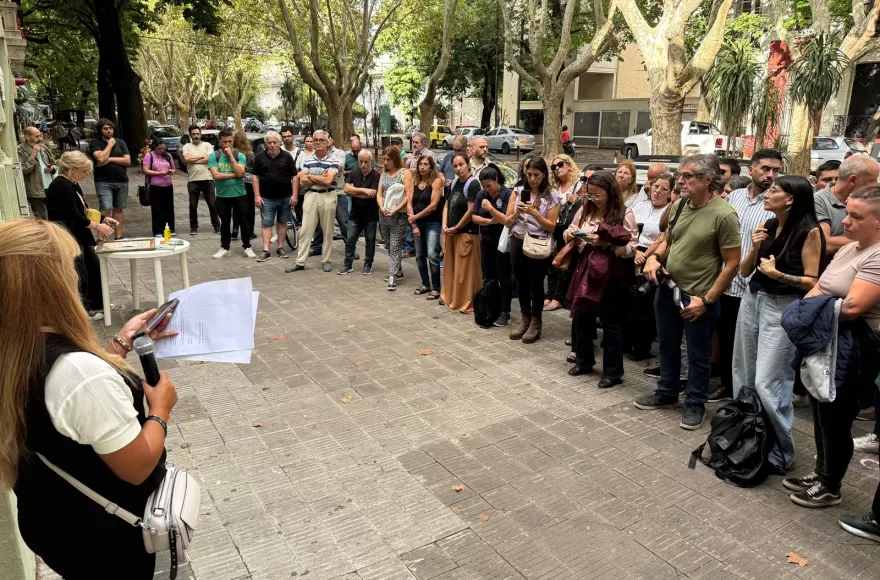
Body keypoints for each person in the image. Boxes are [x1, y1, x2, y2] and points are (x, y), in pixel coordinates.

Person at [0, 218, 179, 579]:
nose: (75, 277)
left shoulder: (13, 349)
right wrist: (160, 410)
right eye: (69, 267)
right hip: (105, 540)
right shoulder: (77, 374)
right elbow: (136, 467)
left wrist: (120, 344)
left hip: (51, 520)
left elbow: (64, 397)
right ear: (52, 284)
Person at [781, 186, 880, 526]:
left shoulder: (877, 255)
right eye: (846, 213)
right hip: (826, 342)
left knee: (837, 417)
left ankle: (830, 485)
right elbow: (819, 288)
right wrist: (816, 306)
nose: (846, 221)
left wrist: (812, 308)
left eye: (855, 216)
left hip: (854, 350)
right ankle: (821, 473)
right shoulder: (850, 249)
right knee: (820, 408)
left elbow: (853, 307)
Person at [636, 154, 741, 430]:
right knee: (668, 345)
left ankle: (695, 402)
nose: (680, 181)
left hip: (698, 298)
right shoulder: (681, 204)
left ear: (708, 180)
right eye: (680, 175)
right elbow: (668, 240)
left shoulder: (724, 214)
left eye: (688, 176)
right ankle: (667, 392)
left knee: (698, 354)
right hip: (668, 290)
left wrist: (707, 300)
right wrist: (654, 258)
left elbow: (732, 264)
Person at [734, 175, 825, 474]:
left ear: (790, 200)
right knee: (744, 375)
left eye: (775, 191)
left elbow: (813, 281)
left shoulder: (809, 231)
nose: (767, 193)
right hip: (753, 300)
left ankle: (781, 452)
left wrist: (779, 276)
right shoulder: (770, 225)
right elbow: (746, 271)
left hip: (782, 308)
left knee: (768, 381)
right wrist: (753, 246)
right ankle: (748, 439)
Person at [712, 149, 782, 402]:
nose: (770, 175)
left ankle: (750, 393)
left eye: (776, 170)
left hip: (755, 285)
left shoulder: (776, 201)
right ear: (751, 169)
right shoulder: (735, 197)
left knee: (752, 344)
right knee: (727, 336)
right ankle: (728, 387)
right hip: (725, 280)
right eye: (765, 168)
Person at [565, 171, 639, 387]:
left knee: (610, 322)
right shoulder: (585, 208)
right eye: (590, 195)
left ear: (610, 192)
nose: (593, 199)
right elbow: (570, 229)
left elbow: (632, 246)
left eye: (598, 195)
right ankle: (584, 360)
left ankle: (613, 372)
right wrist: (572, 235)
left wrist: (607, 245)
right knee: (582, 317)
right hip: (585, 268)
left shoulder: (625, 213)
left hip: (611, 273)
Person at [45, 151, 118, 319]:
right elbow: (73, 215)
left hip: (79, 232)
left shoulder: (72, 183)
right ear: (72, 169)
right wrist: (98, 226)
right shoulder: (60, 185)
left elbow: (84, 209)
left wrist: (103, 218)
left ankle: (98, 303)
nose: (87, 174)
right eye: (84, 170)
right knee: (79, 271)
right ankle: (83, 310)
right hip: (68, 233)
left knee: (93, 265)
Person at [506, 157, 563, 343]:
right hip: (517, 239)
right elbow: (507, 220)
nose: (532, 179)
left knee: (536, 283)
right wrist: (518, 212)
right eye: (529, 174)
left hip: (538, 243)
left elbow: (551, 226)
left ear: (544, 174)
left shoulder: (552, 195)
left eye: (536, 175)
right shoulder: (518, 190)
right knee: (520, 282)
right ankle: (525, 319)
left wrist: (534, 213)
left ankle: (536, 322)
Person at [630, 173, 674, 359]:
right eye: (656, 187)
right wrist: (634, 252)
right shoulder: (640, 205)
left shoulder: (670, 211)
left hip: (652, 257)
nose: (658, 192)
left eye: (664, 189)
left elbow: (662, 239)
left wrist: (645, 256)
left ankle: (641, 347)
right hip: (632, 251)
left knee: (645, 304)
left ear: (670, 193)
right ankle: (626, 341)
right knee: (629, 301)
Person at [287, 130, 340, 273]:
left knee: (328, 230)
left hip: (328, 196)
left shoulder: (334, 159)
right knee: (305, 230)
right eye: (315, 140)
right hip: (311, 196)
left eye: (321, 140)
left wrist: (310, 176)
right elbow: (302, 182)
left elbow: (329, 181)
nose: (317, 142)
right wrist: (317, 177)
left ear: (327, 142)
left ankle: (326, 260)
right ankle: (300, 261)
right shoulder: (308, 159)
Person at [472, 164, 514, 326]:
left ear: (496, 180)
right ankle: (490, 307)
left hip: (502, 243)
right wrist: (490, 220)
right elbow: (475, 217)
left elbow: (505, 218)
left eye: (489, 185)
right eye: (484, 186)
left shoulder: (507, 194)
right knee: (488, 277)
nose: (487, 189)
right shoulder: (482, 194)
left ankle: (505, 311)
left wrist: (490, 209)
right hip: (487, 241)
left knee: (504, 277)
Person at [440, 154, 483, 310]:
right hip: (452, 233)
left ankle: (466, 302)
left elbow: (471, 210)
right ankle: (451, 297)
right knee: (452, 269)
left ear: (468, 165)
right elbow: (446, 205)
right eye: (455, 166)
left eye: (461, 165)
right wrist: (445, 225)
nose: (458, 169)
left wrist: (457, 226)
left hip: (466, 233)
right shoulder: (454, 183)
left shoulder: (473, 184)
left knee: (465, 272)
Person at [815, 155, 880, 256]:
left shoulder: (871, 197)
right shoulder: (818, 201)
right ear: (852, 180)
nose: (876, 184)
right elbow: (826, 243)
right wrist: (872, 239)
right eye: (872, 180)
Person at [545, 154, 583, 312]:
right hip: (556, 228)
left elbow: (587, 205)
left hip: (570, 228)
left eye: (560, 164)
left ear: (569, 165)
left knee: (564, 262)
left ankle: (558, 297)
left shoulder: (579, 184)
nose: (557, 169)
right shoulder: (555, 188)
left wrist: (577, 199)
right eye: (554, 167)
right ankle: (550, 294)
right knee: (553, 262)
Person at [208, 129, 254, 259]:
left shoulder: (239, 155)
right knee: (225, 222)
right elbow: (216, 175)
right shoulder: (214, 156)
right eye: (224, 142)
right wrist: (235, 175)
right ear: (220, 142)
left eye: (229, 141)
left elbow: (241, 173)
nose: (227, 144)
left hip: (239, 194)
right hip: (222, 196)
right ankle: (225, 247)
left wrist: (231, 157)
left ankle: (247, 246)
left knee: (244, 221)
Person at [253, 130, 296, 262]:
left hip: (285, 197)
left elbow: (294, 177)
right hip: (266, 197)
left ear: (279, 143)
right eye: (269, 142)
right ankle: (266, 249)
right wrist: (257, 196)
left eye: (275, 142)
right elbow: (255, 177)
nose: (272, 145)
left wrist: (294, 195)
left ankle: (280, 247)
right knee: (266, 223)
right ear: (266, 144)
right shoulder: (260, 157)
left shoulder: (287, 157)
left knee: (282, 223)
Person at [407, 155, 445, 297]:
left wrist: (415, 217)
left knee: (432, 254)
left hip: (432, 222)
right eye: (420, 164)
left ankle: (436, 287)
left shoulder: (436, 181)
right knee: (419, 255)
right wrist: (414, 223)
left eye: (425, 164)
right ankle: (425, 284)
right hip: (417, 223)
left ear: (431, 167)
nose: (422, 167)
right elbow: (409, 203)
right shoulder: (414, 180)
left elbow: (433, 205)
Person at [376, 146, 413, 290]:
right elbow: (379, 193)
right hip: (384, 214)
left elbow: (409, 194)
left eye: (388, 159)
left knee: (396, 244)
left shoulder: (405, 173)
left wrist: (395, 209)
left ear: (395, 159)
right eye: (384, 159)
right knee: (389, 244)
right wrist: (381, 207)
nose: (385, 162)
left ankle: (392, 276)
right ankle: (398, 269)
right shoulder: (383, 174)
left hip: (399, 215)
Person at [339, 149, 381, 275]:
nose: (363, 165)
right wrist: (363, 190)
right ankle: (348, 263)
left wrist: (355, 191)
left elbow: (372, 195)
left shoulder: (376, 175)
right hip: (355, 215)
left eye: (366, 162)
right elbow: (346, 189)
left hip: (371, 215)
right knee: (350, 239)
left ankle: (368, 263)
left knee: (370, 241)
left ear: (371, 162)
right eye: (361, 162)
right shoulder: (354, 172)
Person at [88, 119, 130, 239]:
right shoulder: (95, 143)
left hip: (121, 180)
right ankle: (101, 238)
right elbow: (100, 159)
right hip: (103, 181)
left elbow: (127, 160)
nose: (109, 131)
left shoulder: (121, 142)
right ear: (100, 130)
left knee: (119, 209)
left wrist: (110, 159)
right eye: (105, 128)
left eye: (110, 128)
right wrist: (110, 145)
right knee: (105, 209)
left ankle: (119, 236)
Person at [182, 125, 220, 236]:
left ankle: (217, 226)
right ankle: (193, 227)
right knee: (193, 205)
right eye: (194, 134)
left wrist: (193, 159)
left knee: (212, 204)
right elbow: (187, 159)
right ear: (190, 135)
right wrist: (201, 157)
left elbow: (210, 159)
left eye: (198, 134)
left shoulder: (207, 145)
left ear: (200, 134)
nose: (196, 136)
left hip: (208, 179)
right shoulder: (187, 146)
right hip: (193, 180)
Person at [17, 126, 57, 219]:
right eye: (37, 136)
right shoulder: (20, 150)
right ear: (27, 137)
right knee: (40, 218)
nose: (40, 138)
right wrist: (33, 154)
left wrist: (52, 168)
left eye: (40, 136)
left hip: (50, 187)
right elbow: (23, 170)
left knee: (55, 214)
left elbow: (54, 163)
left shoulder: (43, 148)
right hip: (35, 190)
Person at [141, 138, 176, 237]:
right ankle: (157, 229)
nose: (161, 151)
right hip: (155, 186)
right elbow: (146, 170)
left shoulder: (168, 156)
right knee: (157, 208)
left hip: (168, 185)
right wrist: (160, 173)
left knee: (168, 208)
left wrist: (171, 171)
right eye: (159, 148)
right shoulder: (149, 155)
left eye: (163, 148)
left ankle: (170, 228)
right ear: (154, 147)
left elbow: (173, 168)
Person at [230, 131, 256, 241]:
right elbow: (255, 169)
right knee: (249, 207)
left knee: (236, 206)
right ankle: (250, 231)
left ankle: (235, 228)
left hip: (236, 181)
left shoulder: (233, 154)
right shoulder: (251, 154)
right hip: (249, 182)